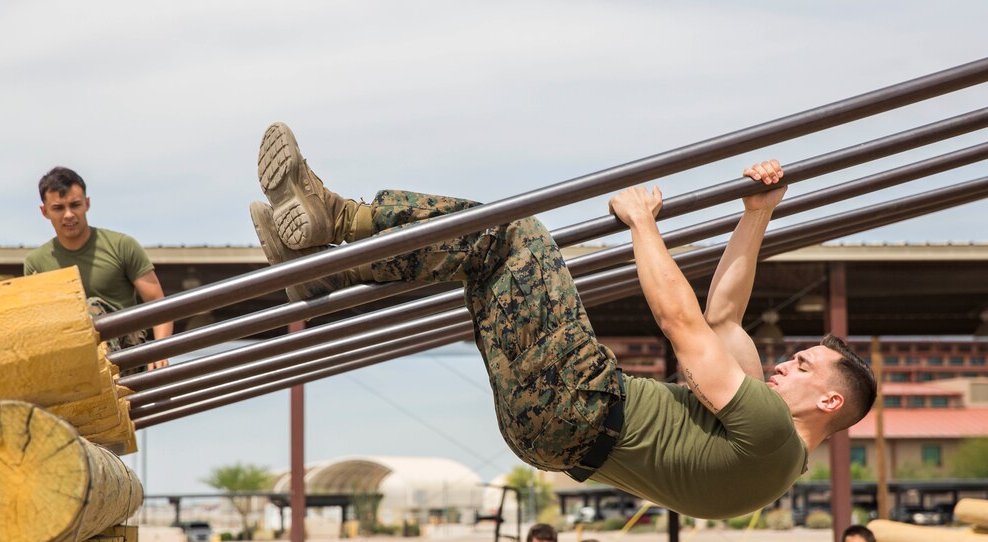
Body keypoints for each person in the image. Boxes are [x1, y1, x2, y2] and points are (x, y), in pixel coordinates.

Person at [250, 122, 878, 520]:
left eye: (801, 365)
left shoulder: (770, 432)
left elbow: (683, 325)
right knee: (483, 263)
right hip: (550, 434)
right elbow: (723, 317)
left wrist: (642, 225)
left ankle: (339, 219)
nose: (784, 364)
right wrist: (758, 213)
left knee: (513, 230)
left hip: (579, 402)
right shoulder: (771, 460)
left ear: (828, 399)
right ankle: (329, 270)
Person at [25, 166, 173, 369]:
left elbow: (157, 301)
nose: (68, 215)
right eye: (59, 208)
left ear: (87, 203)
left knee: (90, 306)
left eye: (75, 205)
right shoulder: (36, 263)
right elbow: (37, 322)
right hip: (71, 358)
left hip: (125, 354)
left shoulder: (121, 246)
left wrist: (160, 349)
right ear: (45, 211)